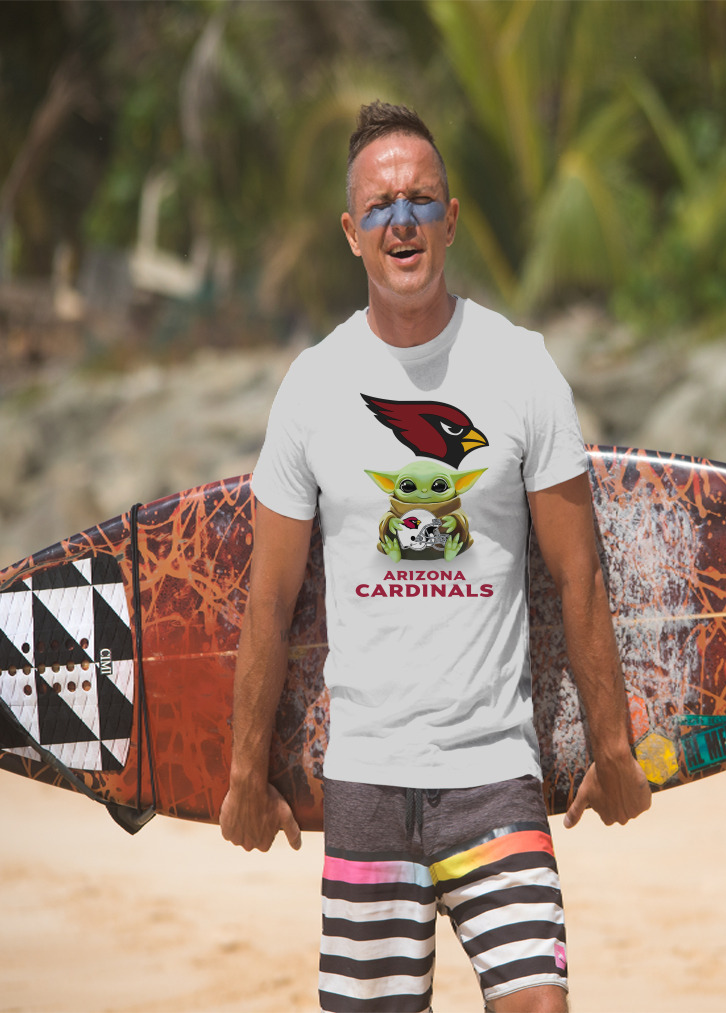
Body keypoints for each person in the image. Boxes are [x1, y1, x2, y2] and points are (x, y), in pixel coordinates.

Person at [220, 100, 651, 1013]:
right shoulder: (313, 387)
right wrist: (242, 772)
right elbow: (269, 599)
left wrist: (612, 746)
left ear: (451, 219)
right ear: (351, 232)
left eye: (421, 200)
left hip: (495, 772)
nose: (402, 220)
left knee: (540, 1003)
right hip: (368, 778)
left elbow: (579, 575)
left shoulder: (522, 368)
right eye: (380, 206)